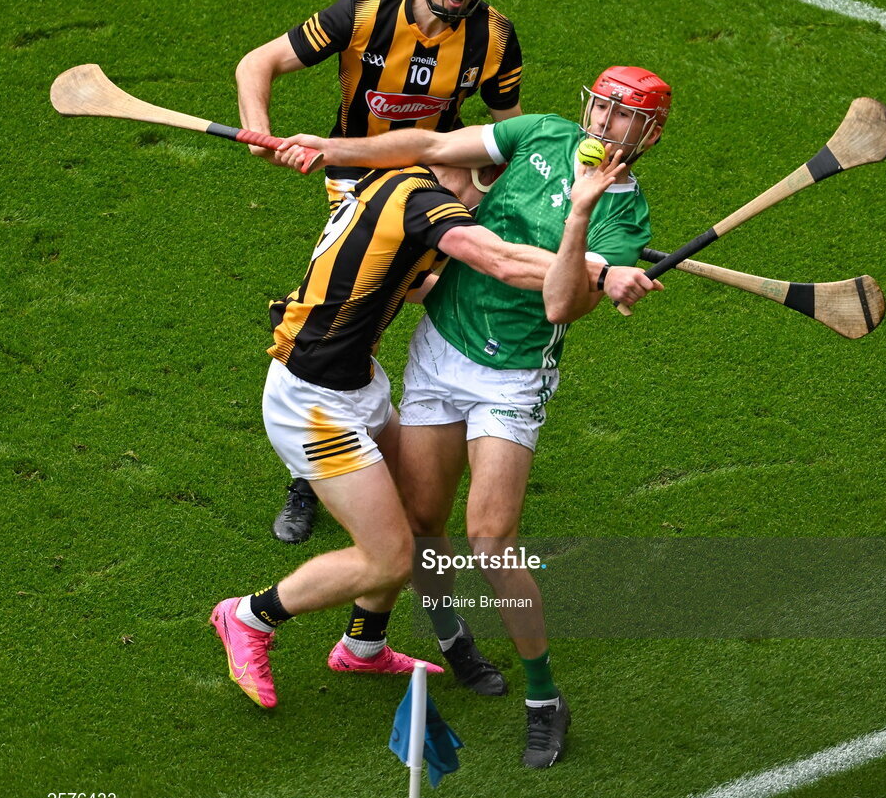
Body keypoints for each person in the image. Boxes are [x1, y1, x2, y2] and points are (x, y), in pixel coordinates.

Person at [275, 65, 671, 767]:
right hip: (439, 352)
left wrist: (581, 212)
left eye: (622, 116)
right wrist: (330, 148)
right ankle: (453, 638)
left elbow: (559, 305)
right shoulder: (541, 132)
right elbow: (425, 145)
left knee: (490, 541)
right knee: (424, 523)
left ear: (649, 133)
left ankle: (544, 698)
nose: (604, 125)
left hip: (512, 376)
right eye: (601, 107)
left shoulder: (623, 217)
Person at [210, 151, 648, 712]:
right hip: (312, 404)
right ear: (451, 165)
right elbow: (500, 261)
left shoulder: (397, 193)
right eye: (483, 181)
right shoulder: (420, 199)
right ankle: (249, 616)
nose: (486, 198)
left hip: (358, 386)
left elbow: (423, 285)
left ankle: (363, 644)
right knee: (389, 557)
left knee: (415, 518)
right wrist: (601, 271)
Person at [236, 0, 524, 545]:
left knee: (411, 300)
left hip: (430, 185)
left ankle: (394, 439)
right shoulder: (362, 13)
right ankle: (309, 470)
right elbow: (257, 64)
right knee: (348, 312)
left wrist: (481, 188)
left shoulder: (494, 37)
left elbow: (508, 137)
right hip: (352, 175)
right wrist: (258, 127)